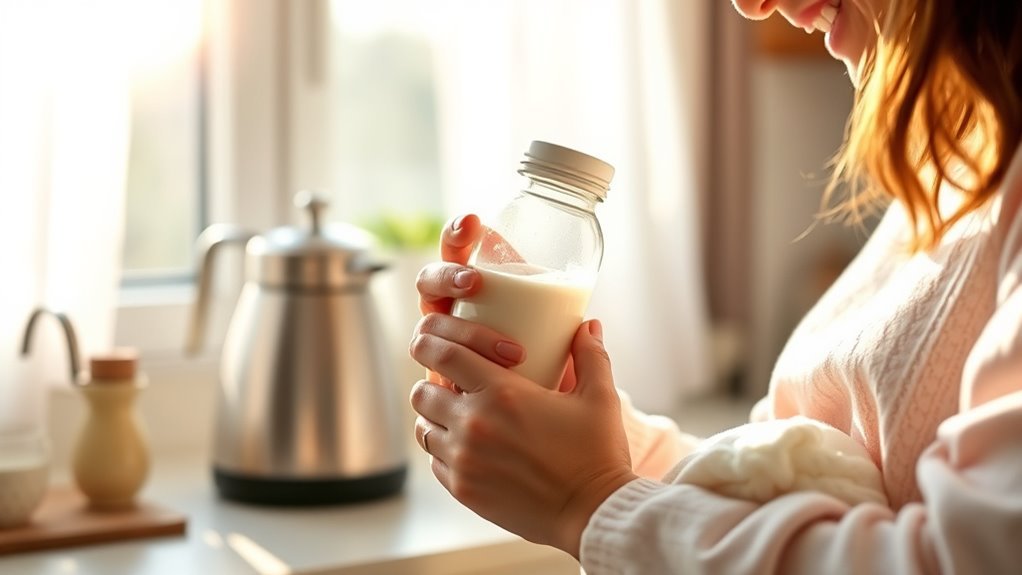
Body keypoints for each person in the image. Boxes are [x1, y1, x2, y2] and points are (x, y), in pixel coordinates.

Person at [408, 0, 1022, 572]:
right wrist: (574, 434)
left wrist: (590, 499)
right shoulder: (960, 174)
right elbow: (772, 489)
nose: (750, 6)